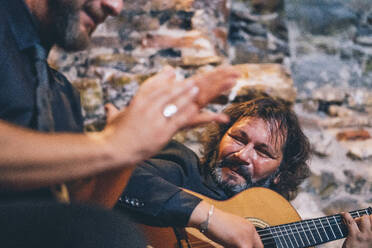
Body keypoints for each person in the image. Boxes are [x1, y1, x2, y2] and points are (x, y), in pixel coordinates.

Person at [0, 0, 239, 247]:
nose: (115, 7)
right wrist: (113, 143)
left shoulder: (61, 93)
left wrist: (130, 154)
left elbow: (83, 219)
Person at [119, 97, 372, 248]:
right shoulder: (182, 165)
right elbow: (118, 179)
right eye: (239, 139)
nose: (242, 155)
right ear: (220, 137)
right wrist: (210, 217)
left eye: (262, 152)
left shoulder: (281, 220)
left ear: (279, 174)